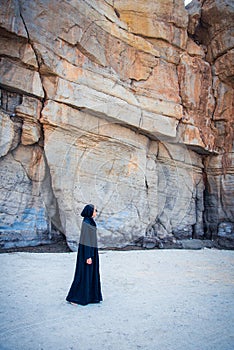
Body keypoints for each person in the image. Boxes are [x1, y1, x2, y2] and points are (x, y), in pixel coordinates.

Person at [66, 204, 103, 306]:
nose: (96, 212)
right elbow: (86, 240)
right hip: (87, 252)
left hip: (91, 251)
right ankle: (74, 298)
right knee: (83, 274)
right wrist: (88, 256)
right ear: (90, 212)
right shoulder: (87, 223)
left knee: (90, 274)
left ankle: (91, 296)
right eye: (95, 211)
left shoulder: (90, 221)